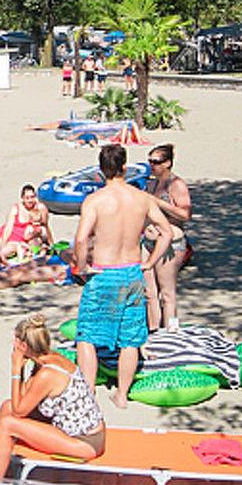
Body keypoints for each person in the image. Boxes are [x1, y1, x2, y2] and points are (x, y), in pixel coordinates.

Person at [72, 144, 172, 403]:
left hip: (104, 273)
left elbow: (81, 239)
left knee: (87, 334)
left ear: (100, 170)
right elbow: (167, 232)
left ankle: (89, 391)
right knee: (131, 337)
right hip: (132, 271)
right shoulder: (141, 198)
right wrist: (150, 262)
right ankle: (122, 395)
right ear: (125, 167)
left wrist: (82, 267)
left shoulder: (95, 201)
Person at [0, 313, 105, 480]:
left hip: (85, 442)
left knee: (7, 425)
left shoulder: (47, 374)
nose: (13, 345)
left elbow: (20, 412)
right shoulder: (49, 358)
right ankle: (1, 468)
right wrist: (22, 369)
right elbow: (21, 399)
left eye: (16, 341)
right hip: (69, 430)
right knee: (7, 407)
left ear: (24, 346)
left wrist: (15, 370)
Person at [143, 144, 194, 330]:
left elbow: (185, 215)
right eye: (149, 161)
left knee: (167, 293)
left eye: (156, 162)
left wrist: (158, 203)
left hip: (170, 244)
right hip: (148, 241)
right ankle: (154, 330)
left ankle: (172, 332)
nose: (151, 165)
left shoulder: (176, 185)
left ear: (168, 163)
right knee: (149, 292)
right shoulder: (152, 183)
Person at [2, 186, 55, 258]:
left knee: (35, 246)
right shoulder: (16, 208)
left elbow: (45, 226)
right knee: (4, 252)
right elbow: (8, 228)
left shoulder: (40, 208)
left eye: (32, 197)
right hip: (15, 238)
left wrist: (51, 243)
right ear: (22, 198)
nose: (30, 200)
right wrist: (3, 243)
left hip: (31, 238)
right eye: (27, 198)